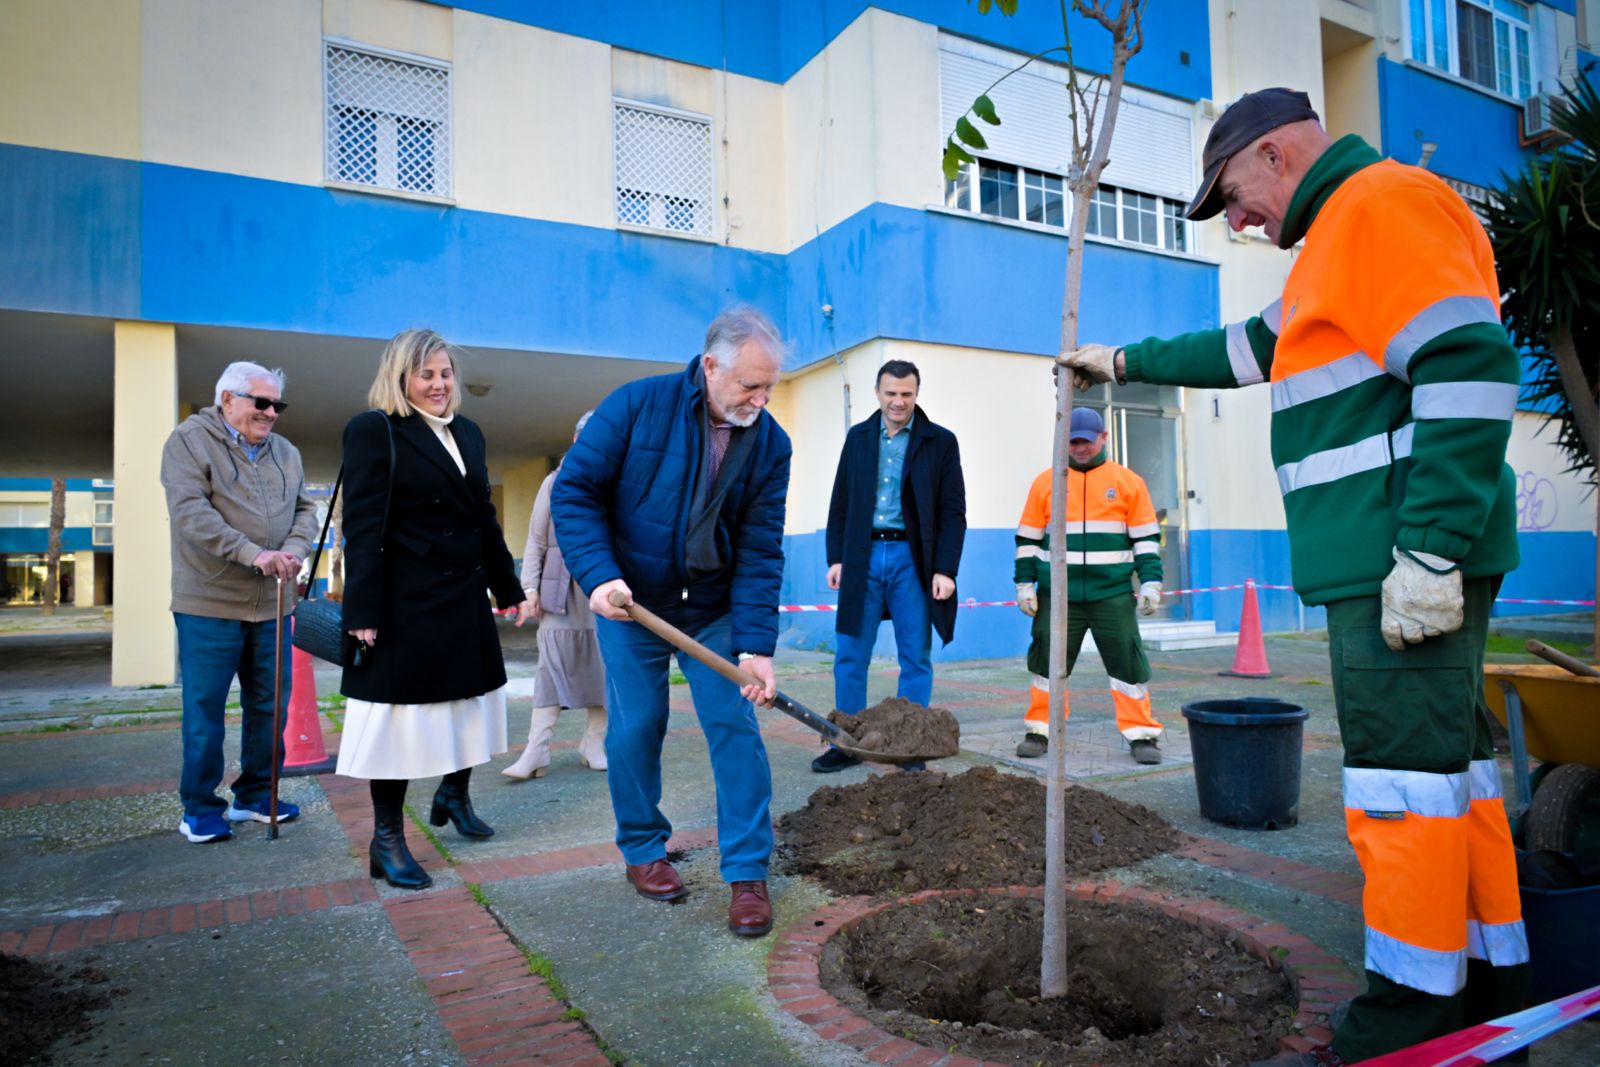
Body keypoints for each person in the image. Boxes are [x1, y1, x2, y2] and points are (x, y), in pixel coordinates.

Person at [1061, 88, 1526, 1064]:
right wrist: (1121, 359)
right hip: (1389, 562)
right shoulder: (1338, 243)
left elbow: (1470, 363)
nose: (1234, 222)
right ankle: (1491, 1003)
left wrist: (1429, 552)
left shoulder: (1379, 208)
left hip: (1399, 566)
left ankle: (1404, 1021)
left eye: (1231, 196)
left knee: (1403, 790)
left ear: (1274, 154)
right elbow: (1248, 348)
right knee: (1454, 781)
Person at [551, 307, 790, 938]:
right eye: (751, 385)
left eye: (770, 387)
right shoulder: (636, 406)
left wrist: (756, 647)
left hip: (712, 609)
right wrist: (599, 576)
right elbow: (574, 492)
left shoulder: (771, 443)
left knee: (734, 727)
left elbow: (761, 547)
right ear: (711, 366)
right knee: (637, 726)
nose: (761, 401)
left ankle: (747, 871)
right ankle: (642, 849)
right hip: (632, 603)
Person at [338, 329, 529, 891]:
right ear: (401, 377)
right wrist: (362, 610)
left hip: (462, 594)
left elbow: (482, 516)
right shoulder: (374, 429)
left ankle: (453, 793)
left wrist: (508, 587)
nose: (440, 384)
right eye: (426, 374)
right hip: (405, 600)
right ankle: (387, 840)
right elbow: (363, 526)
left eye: (445, 373)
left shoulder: (467, 432)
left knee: (469, 702)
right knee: (397, 722)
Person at [160, 361, 319, 843]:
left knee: (270, 706)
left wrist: (294, 550)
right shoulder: (188, 441)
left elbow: (306, 510)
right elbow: (190, 513)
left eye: (277, 404)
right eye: (261, 402)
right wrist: (254, 554)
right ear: (227, 400)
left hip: (272, 604)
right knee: (205, 711)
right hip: (209, 603)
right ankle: (200, 808)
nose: (271, 413)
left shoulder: (286, 452)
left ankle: (255, 795)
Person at [817, 360, 966, 773]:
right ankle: (846, 743)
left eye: (906, 394)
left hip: (912, 559)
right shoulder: (859, 438)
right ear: (878, 393)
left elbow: (953, 512)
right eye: (891, 393)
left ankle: (909, 747)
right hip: (861, 555)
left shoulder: (940, 442)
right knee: (850, 653)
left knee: (915, 656)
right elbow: (840, 501)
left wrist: (946, 569)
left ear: (916, 394)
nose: (898, 401)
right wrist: (836, 557)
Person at [1013, 407, 1165, 765]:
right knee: (1046, 663)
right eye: (1072, 442)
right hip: (1057, 596)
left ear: (1103, 438)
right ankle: (1040, 730)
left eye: (1086, 441)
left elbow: (1145, 541)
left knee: (1127, 663)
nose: (1079, 448)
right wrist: (1024, 584)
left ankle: (1141, 735)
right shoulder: (1045, 483)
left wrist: (1151, 584)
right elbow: (1028, 541)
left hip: (1112, 595)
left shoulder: (1128, 483)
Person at [503, 410, 608, 780]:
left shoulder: (617, 482)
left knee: (603, 666)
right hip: (559, 590)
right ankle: (537, 749)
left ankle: (593, 743)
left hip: (602, 586)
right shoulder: (554, 483)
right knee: (550, 669)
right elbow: (535, 540)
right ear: (576, 440)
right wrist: (529, 588)